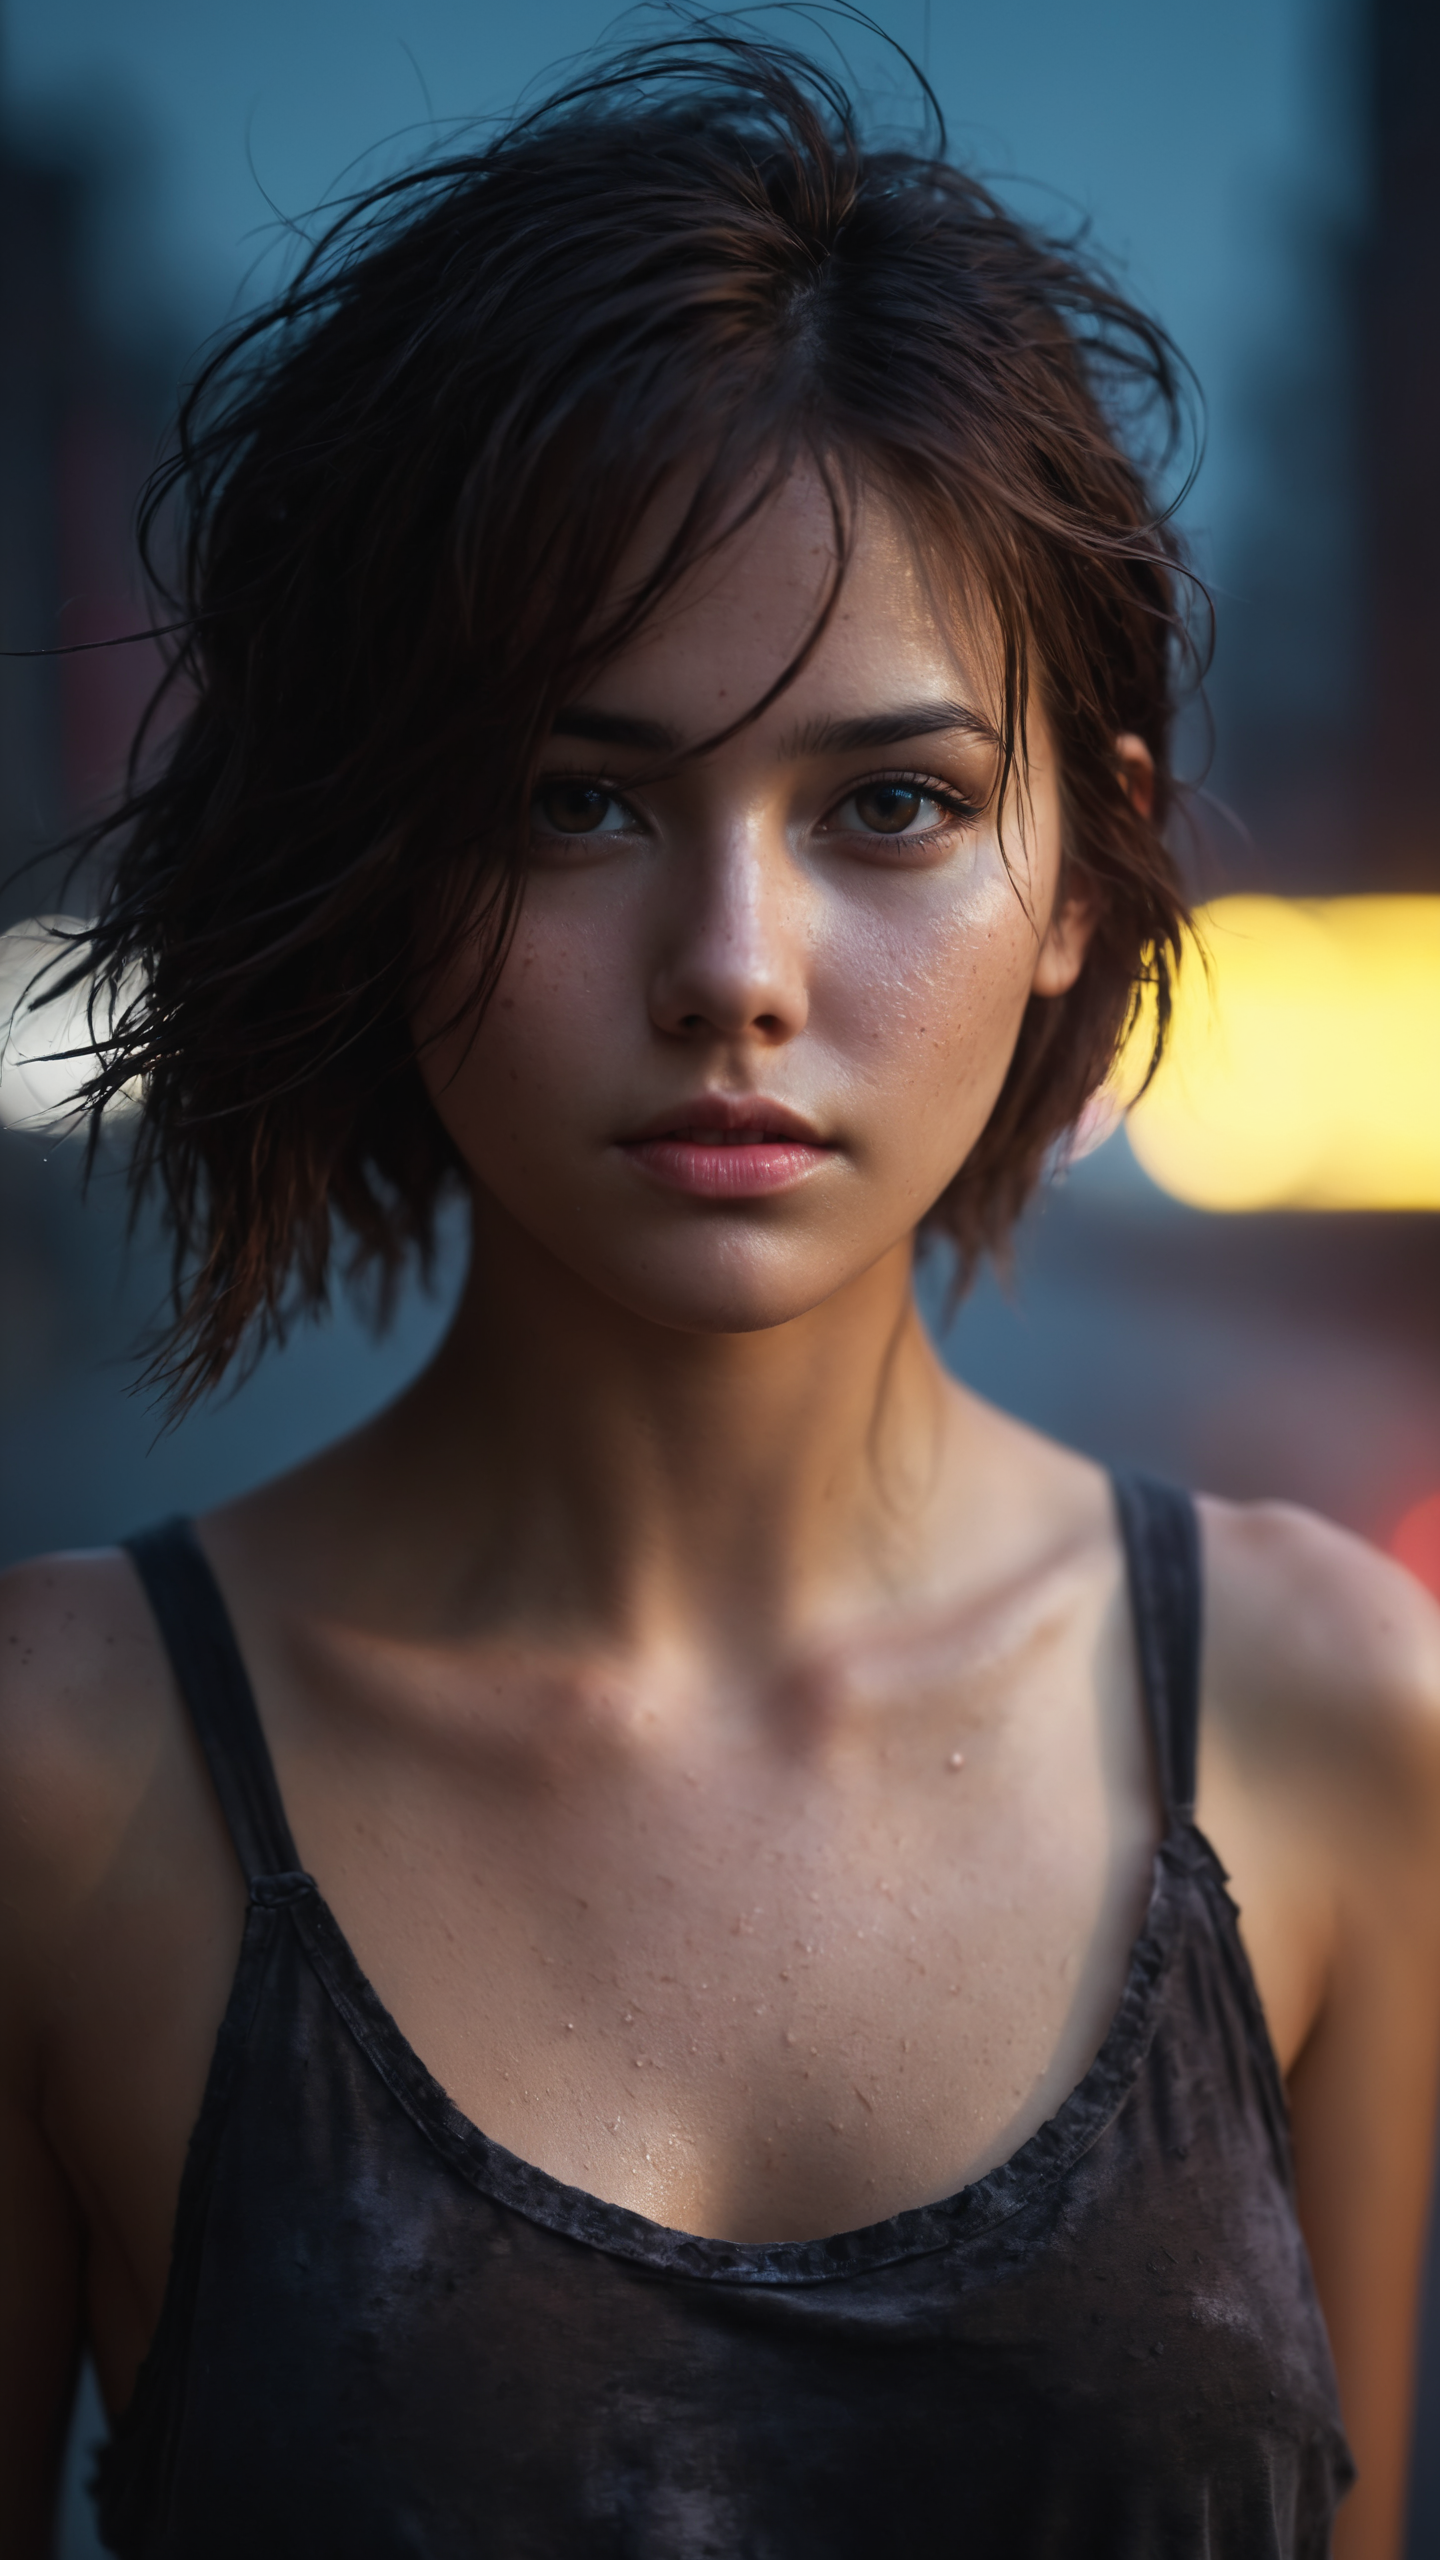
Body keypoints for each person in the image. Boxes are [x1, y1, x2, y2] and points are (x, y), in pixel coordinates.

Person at [2, 29, 1438, 2560]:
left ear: (1081, 872)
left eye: (888, 804)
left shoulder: (1331, 1724)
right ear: (376, 859)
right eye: (578, 800)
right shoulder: (60, 1776)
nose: (735, 968)